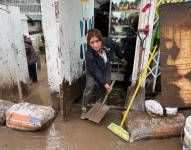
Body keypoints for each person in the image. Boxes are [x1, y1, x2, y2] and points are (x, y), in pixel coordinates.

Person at [81, 29, 127, 119]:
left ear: (101, 40)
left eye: (97, 41)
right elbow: (95, 72)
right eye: (92, 42)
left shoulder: (109, 43)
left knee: (107, 83)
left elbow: (116, 48)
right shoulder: (89, 54)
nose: (95, 45)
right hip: (93, 69)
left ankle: (99, 104)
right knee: (90, 85)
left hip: (105, 65)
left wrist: (121, 58)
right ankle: (84, 108)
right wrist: (103, 83)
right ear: (89, 43)